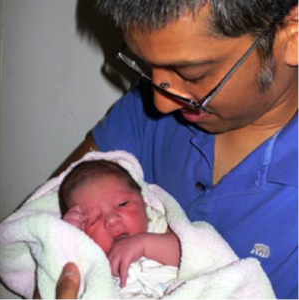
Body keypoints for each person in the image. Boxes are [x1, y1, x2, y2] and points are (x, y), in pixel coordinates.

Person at [52, 1, 299, 299]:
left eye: (193, 74)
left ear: (294, 34)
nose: (161, 104)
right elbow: (46, 219)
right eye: (145, 65)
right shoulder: (144, 111)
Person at [59, 159, 180, 291]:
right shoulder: (90, 256)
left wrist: (143, 244)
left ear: (143, 201)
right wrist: (70, 238)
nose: (112, 220)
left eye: (122, 204)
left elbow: (191, 253)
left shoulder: (157, 225)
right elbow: (66, 282)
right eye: (94, 219)